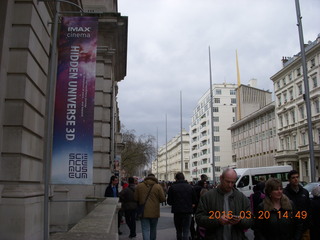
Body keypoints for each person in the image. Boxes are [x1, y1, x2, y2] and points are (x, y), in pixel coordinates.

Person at [195, 168, 253, 240]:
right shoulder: (208, 197)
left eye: (233, 182)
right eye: (227, 182)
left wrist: (240, 221)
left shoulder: (241, 198)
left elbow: (250, 220)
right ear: (221, 178)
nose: (230, 185)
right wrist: (217, 220)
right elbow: (199, 218)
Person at [134, 173, 166, 240]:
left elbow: (135, 198)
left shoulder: (139, 186)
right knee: (153, 229)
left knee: (145, 229)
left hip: (143, 211)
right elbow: (163, 199)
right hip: (155, 211)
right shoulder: (158, 186)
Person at [167, 172, 197, 240]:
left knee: (179, 231)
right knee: (186, 230)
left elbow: (169, 201)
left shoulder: (172, 187)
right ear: (184, 178)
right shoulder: (190, 187)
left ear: (176, 179)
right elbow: (195, 200)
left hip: (177, 211)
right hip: (187, 211)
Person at [283, 170, 310, 239]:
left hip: (304, 226)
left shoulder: (304, 192)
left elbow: (308, 207)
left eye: (297, 177)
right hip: (291, 227)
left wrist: (308, 222)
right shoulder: (284, 193)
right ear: (289, 180)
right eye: (293, 178)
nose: (296, 179)